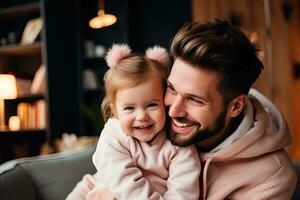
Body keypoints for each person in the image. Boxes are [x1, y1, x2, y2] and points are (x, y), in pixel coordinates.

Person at [67, 18, 297, 200]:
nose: (173, 110)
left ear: (236, 106)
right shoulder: (155, 130)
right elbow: (104, 177)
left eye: (195, 100)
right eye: (171, 89)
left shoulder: (271, 177)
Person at [67, 44, 200, 200]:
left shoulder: (179, 143)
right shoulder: (114, 134)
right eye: (129, 108)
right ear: (115, 111)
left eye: (152, 105)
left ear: (165, 102)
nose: (142, 116)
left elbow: (184, 193)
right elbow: (122, 180)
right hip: (99, 188)